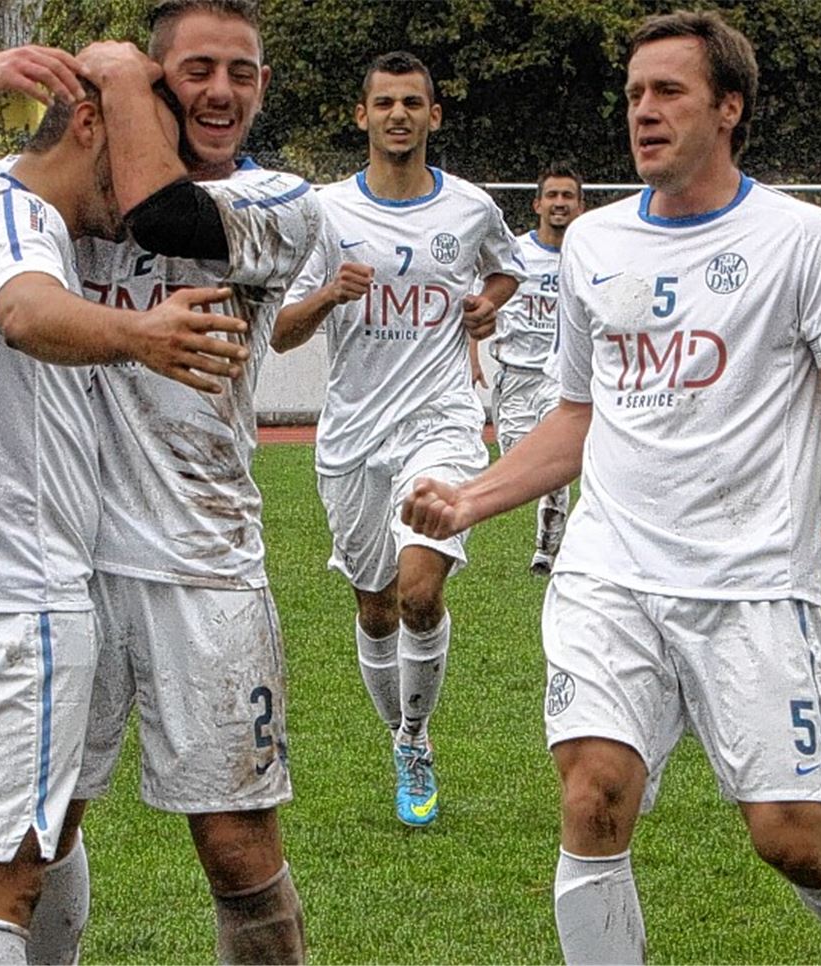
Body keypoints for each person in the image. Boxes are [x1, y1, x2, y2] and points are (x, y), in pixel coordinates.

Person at [403, 9, 821, 963]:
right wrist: (474, 496)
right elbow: (575, 416)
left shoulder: (800, 239)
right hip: (611, 570)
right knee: (592, 793)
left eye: (668, 91)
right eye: (635, 94)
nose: (643, 111)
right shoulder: (594, 245)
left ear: (729, 107)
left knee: (790, 838)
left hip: (753, 582)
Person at [0, 4, 321, 961]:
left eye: (243, 71)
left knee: (237, 844)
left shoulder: (279, 202)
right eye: (194, 71)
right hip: (58, 569)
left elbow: (168, 217)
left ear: (265, 86)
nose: (221, 93)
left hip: (198, 560)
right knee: (35, 833)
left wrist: (113, 81)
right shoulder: (43, 191)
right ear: (145, 88)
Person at [272, 51, 524, 828]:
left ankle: (416, 738)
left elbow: (505, 273)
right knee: (377, 607)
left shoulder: (472, 208)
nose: (399, 116)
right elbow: (279, 332)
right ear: (363, 115)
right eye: (384, 103)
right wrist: (327, 291)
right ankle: (397, 731)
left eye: (413, 102)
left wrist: (486, 304)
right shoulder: (325, 212)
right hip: (353, 434)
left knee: (420, 593)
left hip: (441, 421)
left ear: (433, 115)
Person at [469, 163, 585, 576]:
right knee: (519, 461)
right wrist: (473, 356)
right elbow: (482, 302)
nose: (559, 204)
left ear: (579, 205)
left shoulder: (587, 256)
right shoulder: (517, 254)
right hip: (515, 374)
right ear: (537, 203)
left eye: (567, 196)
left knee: (555, 469)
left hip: (562, 377)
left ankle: (546, 554)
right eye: (552, 196)